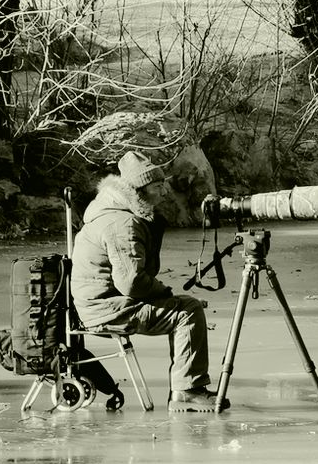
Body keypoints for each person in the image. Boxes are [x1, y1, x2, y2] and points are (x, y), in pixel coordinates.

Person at [70, 151, 228, 413]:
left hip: (100, 303)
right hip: (107, 309)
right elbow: (131, 283)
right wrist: (166, 294)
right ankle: (187, 391)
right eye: (157, 187)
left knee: (184, 306)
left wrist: (165, 297)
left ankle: (187, 387)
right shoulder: (122, 222)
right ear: (138, 190)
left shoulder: (108, 212)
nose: (164, 193)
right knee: (188, 312)